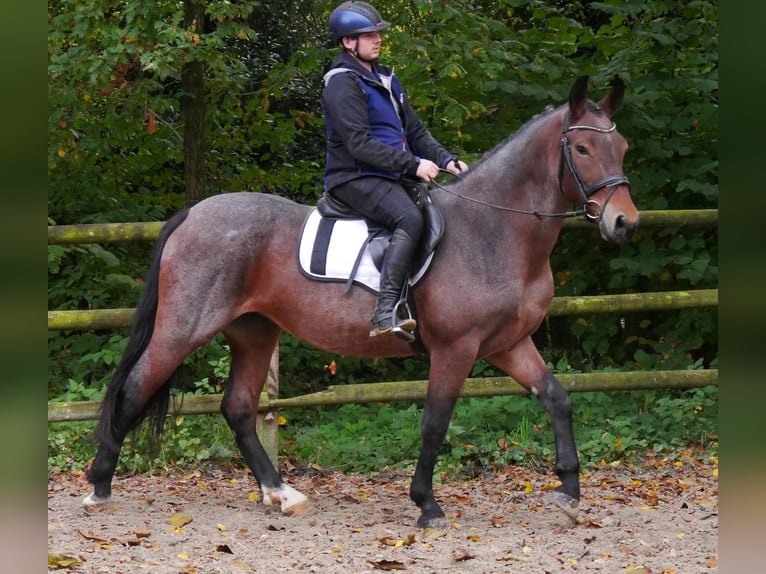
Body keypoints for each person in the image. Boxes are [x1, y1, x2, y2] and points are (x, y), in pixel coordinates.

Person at [322, 1, 468, 339]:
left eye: (378, 34)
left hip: (389, 175)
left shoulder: (387, 78)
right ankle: (384, 312)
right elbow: (359, 144)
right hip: (353, 177)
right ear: (347, 42)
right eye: (369, 35)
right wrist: (413, 164)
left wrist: (446, 160)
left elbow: (414, 132)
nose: (378, 39)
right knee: (409, 218)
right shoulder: (342, 82)